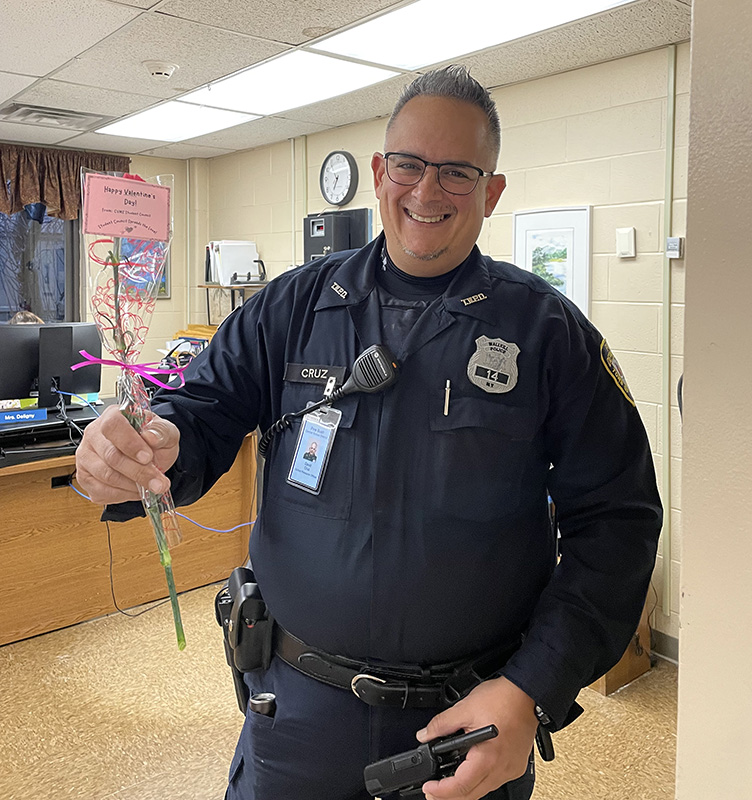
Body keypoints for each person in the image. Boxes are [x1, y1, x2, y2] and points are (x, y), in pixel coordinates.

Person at [75, 66, 662, 800]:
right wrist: (141, 451)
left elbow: (618, 523)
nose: (427, 191)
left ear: (492, 191)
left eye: (457, 172)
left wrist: (530, 691)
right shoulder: (291, 306)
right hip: (297, 716)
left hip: (469, 722)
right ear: (381, 173)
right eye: (410, 165)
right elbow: (200, 414)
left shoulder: (548, 335)